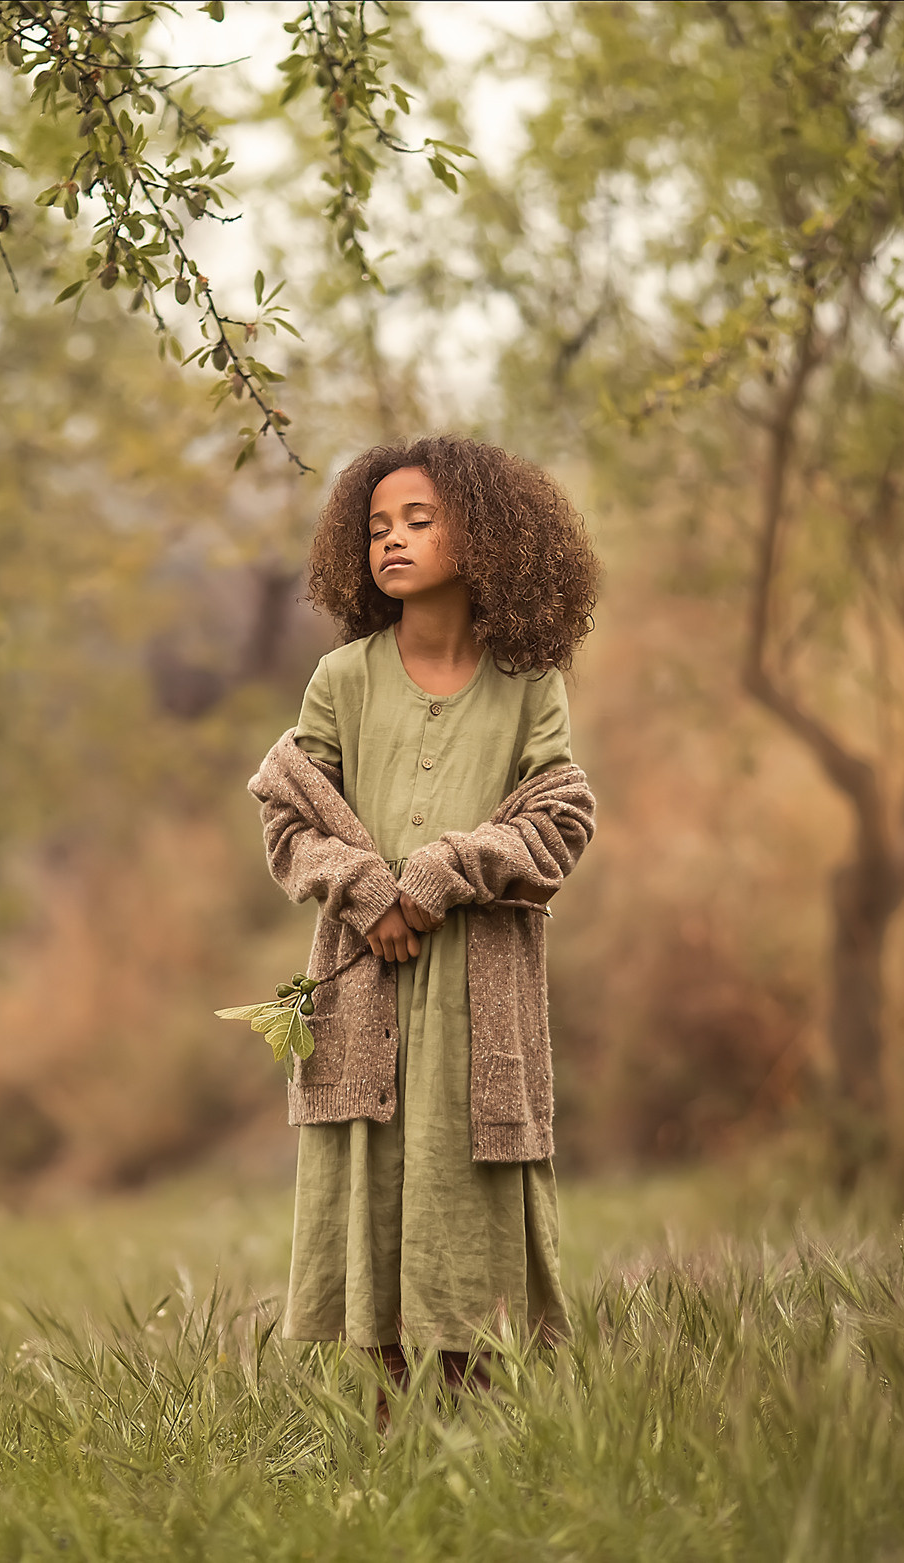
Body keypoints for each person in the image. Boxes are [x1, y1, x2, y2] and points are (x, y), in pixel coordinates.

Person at [247, 436, 600, 1423]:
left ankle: (482, 1432)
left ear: (483, 537)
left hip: (478, 999)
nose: (391, 540)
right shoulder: (343, 681)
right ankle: (391, 1433)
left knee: (469, 1210)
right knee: (384, 1204)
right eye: (375, 527)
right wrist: (369, 895)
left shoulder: (529, 684)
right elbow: (290, 813)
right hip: (369, 989)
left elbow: (558, 818)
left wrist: (435, 881)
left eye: (418, 520)